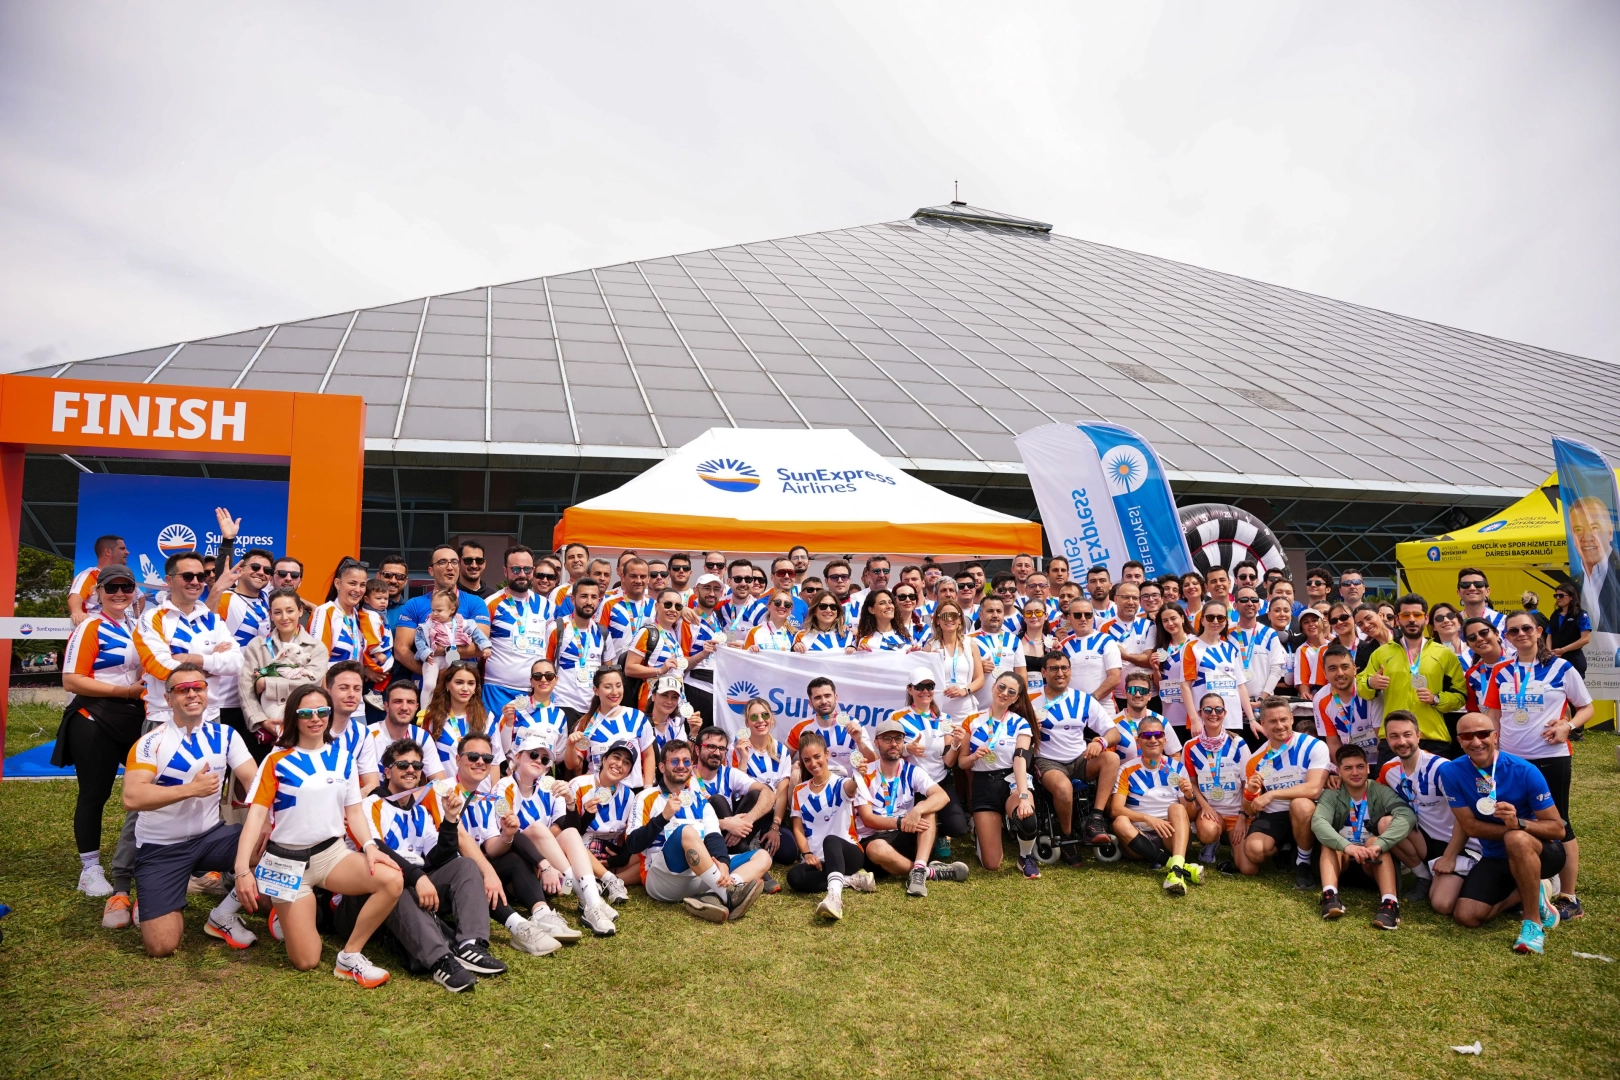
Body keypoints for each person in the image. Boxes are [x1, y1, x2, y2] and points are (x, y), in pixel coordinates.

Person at [234, 684, 403, 984]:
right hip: (286, 863)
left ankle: (350, 956)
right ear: (293, 717)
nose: (315, 718)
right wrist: (241, 870)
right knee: (306, 961)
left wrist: (369, 846)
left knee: (392, 880)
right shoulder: (275, 760)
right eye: (306, 713)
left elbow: (354, 813)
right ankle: (286, 911)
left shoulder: (344, 758)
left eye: (322, 711)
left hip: (332, 855)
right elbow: (256, 816)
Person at [366, 739, 528, 991]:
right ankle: (441, 960)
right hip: (372, 894)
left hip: (415, 884)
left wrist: (450, 821)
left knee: (466, 865)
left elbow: (438, 857)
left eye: (416, 765)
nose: (411, 770)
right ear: (387, 772)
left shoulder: (420, 811)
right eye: (403, 765)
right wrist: (417, 877)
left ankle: (471, 945)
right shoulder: (371, 803)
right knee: (395, 882)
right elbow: (375, 848)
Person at [121, 664, 260, 957]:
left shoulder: (226, 735)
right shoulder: (152, 742)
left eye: (198, 687)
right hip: (161, 848)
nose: (192, 694)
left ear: (207, 693)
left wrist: (270, 821)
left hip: (210, 837)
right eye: (182, 690)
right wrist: (190, 789)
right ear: (168, 698)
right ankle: (154, 895)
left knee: (276, 842)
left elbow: (255, 783)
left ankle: (222, 915)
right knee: (161, 946)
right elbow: (132, 797)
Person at [1481, 612, 1592, 922]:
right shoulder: (1501, 671)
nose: (1521, 634)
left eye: (1526, 628)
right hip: (1510, 760)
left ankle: (1569, 896)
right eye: (1513, 630)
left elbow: (1586, 707)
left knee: (1559, 823)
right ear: (1507, 636)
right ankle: (1527, 888)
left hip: (1550, 757)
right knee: (1515, 821)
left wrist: (1568, 725)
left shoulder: (1561, 667)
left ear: (1539, 631)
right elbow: (1493, 714)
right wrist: (1492, 751)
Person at [1439, 713, 1567, 954]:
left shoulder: (1524, 770)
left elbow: (1557, 828)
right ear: (1459, 741)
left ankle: (1532, 923)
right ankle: (1531, 891)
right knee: (1467, 915)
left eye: (1482, 734)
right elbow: (1470, 826)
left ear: (1495, 736)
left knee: (1515, 838)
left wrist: (1518, 823)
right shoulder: (1451, 771)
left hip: (1542, 853)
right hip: (1496, 856)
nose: (1476, 742)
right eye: (1467, 736)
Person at [58, 563, 147, 907]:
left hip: (132, 716)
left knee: (149, 789)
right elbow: (71, 680)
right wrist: (126, 692)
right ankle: (90, 869)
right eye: (111, 588)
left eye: (126, 587)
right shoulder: (90, 626)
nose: (119, 593)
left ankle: (151, 857)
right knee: (95, 794)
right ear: (98, 593)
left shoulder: (137, 625)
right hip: (93, 717)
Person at [626, 740, 769, 923]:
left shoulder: (699, 800)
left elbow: (713, 836)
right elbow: (633, 845)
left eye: (686, 761)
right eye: (674, 761)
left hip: (700, 875)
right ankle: (728, 893)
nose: (681, 766)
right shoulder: (646, 797)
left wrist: (723, 864)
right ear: (662, 767)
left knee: (762, 856)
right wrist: (662, 818)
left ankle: (712, 896)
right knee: (686, 831)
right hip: (663, 879)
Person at [499, 735, 621, 936]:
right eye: (533, 754)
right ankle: (590, 899)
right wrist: (545, 865)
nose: (539, 760)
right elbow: (508, 835)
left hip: (555, 875)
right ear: (518, 756)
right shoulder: (504, 786)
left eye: (545, 759)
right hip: (521, 871)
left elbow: (571, 830)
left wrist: (570, 801)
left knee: (570, 833)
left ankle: (591, 903)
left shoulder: (548, 786)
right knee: (538, 829)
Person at [1378, 711, 1478, 914]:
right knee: (1385, 824)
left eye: (1407, 734)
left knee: (1442, 904)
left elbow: (1465, 818)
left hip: (1460, 843)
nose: (1401, 742)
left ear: (1418, 736)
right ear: (1387, 740)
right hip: (1426, 840)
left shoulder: (1442, 769)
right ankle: (1423, 876)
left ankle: (1476, 875)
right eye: (1394, 736)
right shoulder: (1388, 769)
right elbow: (1370, 792)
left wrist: (1449, 856)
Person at [855, 719, 967, 896]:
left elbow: (942, 796)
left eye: (898, 739)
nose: (893, 744)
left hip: (905, 833)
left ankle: (919, 867)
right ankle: (926, 872)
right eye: (887, 739)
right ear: (876, 743)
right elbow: (868, 819)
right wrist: (900, 822)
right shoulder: (865, 773)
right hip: (876, 839)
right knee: (876, 848)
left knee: (927, 807)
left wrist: (917, 810)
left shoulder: (912, 770)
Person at [1311, 743, 1413, 928]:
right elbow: (1319, 823)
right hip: (1340, 863)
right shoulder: (1332, 793)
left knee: (1375, 840)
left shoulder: (1380, 790)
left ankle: (1390, 904)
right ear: (1339, 772)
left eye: (1359, 766)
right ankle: (1330, 896)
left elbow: (1407, 815)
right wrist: (1347, 846)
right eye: (1348, 768)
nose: (1355, 772)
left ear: (1367, 768)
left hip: (1371, 863)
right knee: (1329, 840)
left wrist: (1380, 844)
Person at [954, 671, 1042, 877]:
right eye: (1001, 687)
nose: (1004, 693)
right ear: (993, 687)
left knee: (1027, 816)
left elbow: (1020, 761)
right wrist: (974, 756)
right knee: (992, 864)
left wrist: (1024, 796)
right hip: (983, 784)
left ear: (1016, 698)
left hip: (1011, 781)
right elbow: (961, 762)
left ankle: (1025, 856)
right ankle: (980, 833)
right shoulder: (972, 720)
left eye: (1011, 691)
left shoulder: (1020, 723)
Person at [1358, 594, 1465, 757]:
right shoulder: (1381, 653)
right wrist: (1370, 683)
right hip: (1394, 738)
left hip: (1432, 737)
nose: (1412, 620)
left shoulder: (1444, 654)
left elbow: (1460, 696)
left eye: (1417, 615)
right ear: (1397, 619)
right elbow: (1361, 688)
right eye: (1405, 615)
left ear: (1426, 618)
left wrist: (1436, 699)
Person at [1239, 696, 1329, 888]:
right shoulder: (1256, 760)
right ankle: (1285, 847)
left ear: (1292, 718)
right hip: (1275, 814)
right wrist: (1250, 793)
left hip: (1308, 810)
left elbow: (1313, 789)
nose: (1279, 726)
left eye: (1283, 719)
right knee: (1254, 850)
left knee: (1300, 804)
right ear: (1263, 724)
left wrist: (1271, 794)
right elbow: (1249, 810)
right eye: (1272, 721)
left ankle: (1303, 863)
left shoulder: (1314, 745)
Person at [1035, 652, 1118, 859]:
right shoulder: (1030, 698)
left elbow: (1114, 732)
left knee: (1111, 758)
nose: (1060, 673)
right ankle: (1067, 836)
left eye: (1064, 668)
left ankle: (1095, 819)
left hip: (1080, 758)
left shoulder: (1083, 699)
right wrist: (1028, 726)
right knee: (1064, 787)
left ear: (1070, 671)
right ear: (1043, 672)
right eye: (1054, 668)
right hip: (1047, 760)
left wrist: (1100, 742)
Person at [1110, 714, 1202, 895]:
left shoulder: (1177, 768)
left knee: (1177, 808)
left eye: (1158, 735)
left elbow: (1190, 816)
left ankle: (1175, 870)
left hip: (1171, 834)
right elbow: (1116, 809)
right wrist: (1148, 819)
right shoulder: (1126, 769)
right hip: (1140, 836)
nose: (1153, 739)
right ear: (1138, 741)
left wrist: (1189, 796)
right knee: (1119, 822)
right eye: (1146, 735)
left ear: (1164, 740)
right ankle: (1179, 866)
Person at [787, 732, 876, 919]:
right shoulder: (799, 790)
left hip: (848, 853)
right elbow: (798, 827)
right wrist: (807, 853)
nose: (813, 763)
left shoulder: (840, 784)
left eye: (817, 756)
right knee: (794, 877)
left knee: (831, 840)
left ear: (826, 754)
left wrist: (858, 774)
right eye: (807, 760)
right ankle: (851, 879)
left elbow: (851, 786)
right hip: (819, 860)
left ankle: (834, 897)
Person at [238, 586, 329, 760]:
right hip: (264, 732)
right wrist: (262, 721)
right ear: (270, 615)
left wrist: (266, 683)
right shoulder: (257, 645)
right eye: (278, 612)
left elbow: (309, 684)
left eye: (290, 611)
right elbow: (246, 688)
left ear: (300, 611)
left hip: (304, 727)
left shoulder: (316, 647)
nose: (284, 617)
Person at [893, 667, 973, 858]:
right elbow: (887, 752)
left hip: (939, 782)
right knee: (910, 836)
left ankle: (939, 832)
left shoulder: (944, 719)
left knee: (958, 828)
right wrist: (907, 749)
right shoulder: (897, 717)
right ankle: (929, 832)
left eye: (929, 686)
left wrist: (956, 743)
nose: (925, 691)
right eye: (919, 686)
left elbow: (948, 761)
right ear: (910, 689)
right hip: (912, 785)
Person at [392, 545, 491, 678]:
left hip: (463, 684)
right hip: (426, 683)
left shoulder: (476, 602)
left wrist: (443, 650)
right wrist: (432, 676)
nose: (450, 567)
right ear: (431, 570)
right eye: (442, 562)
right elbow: (401, 650)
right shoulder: (414, 604)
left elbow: (480, 647)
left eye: (454, 562)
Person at [1183, 691, 1254, 869]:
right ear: (1200, 713)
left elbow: (1247, 784)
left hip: (1236, 812)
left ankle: (1231, 841)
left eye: (1218, 710)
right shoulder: (1190, 746)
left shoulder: (1238, 743)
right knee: (1208, 832)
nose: (1213, 714)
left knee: (1247, 868)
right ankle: (1212, 841)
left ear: (1225, 712)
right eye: (1208, 710)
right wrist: (1205, 806)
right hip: (1210, 812)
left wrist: (1242, 816)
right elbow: (1192, 783)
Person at [482, 545, 555, 716]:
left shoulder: (548, 606)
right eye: (516, 569)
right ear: (505, 571)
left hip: (534, 690)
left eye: (527, 569)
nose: (522, 574)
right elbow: (480, 648)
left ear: (533, 570)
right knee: (496, 734)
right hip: (497, 690)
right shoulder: (491, 603)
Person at [729, 698, 799, 863]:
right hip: (745, 811)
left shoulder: (781, 750)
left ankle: (753, 841)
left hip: (769, 813)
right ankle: (743, 843)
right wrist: (743, 760)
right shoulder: (735, 748)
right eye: (754, 717)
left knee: (789, 853)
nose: (760, 720)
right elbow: (735, 792)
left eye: (765, 715)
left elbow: (782, 793)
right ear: (747, 722)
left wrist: (775, 826)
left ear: (771, 719)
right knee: (756, 793)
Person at [309, 558, 394, 694]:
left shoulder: (360, 615)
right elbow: (317, 659)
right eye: (352, 583)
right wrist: (324, 697)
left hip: (355, 695)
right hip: (331, 694)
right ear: (338, 583)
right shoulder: (325, 612)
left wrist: (366, 669)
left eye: (362, 585)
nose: (358, 590)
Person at [570, 739, 644, 885]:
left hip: (608, 855)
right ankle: (608, 879)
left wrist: (619, 858)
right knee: (574, 845)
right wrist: (587, 816)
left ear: (628, 773)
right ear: (604, 759)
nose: (619, 764)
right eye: (616, 757)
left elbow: (629, 837)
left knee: (646, 857)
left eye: (626, 763)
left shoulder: (630, 796)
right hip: (581, 850)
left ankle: (608, 882)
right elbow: (568, 832)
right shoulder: (578, 784)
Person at [567, 668, 656, 789]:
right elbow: (572, 765)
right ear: (596, 690)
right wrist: (570, 745)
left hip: (631, 791)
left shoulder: (637, 717)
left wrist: (648, 788)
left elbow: (648, 755)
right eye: (608, 687)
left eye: (618, 686)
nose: (615, 692)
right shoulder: (586, 724)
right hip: (597, 792)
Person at [1180, 600, 1253, 738]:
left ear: (1226, 621)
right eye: (1210, 617)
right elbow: (1185, 685)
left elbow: (1240, 685)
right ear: (1202, 620)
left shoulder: (1230, 648)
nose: (1215, 621)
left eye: (1220, 618)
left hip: (1232, 719)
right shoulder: (1192, 646)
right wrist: (1194, 720)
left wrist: (1252, 719)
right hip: (1205, 719)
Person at [413, 587, 492, 699]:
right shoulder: (429, 624)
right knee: (429, 684)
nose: (435, 613)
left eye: (439, 610)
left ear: (452, 610)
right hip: (434, 659)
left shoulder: (462, 622)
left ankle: (453, 708)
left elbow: (477, 633)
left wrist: (485, 646)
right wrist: (425, 653)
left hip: (455, 660)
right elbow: (419, 639)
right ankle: (425, 709)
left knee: (455, 686)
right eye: (433, 610)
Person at [547, 578, 605, 726]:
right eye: (584, 596)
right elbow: (545, 667)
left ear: (599, 600)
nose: (589, 602)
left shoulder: (603, 632)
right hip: (563, 704)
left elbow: (606, 671)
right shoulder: (557, 628)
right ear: (572, 599)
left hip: (593, 708)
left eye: (593, 597)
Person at [786, 677, 874, 774]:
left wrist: (859, 741)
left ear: (836, 698)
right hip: (815, 782)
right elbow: (782, 761)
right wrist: (794, 769)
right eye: (818, 697)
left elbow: (873, 762)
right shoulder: (800, 727)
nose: (824, 701)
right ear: (810, 703)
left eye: (827, 696)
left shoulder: (854, 724)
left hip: (849, 782)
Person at [1313, 644, 1380, 769]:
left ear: (1354, 669)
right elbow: (1333, 742)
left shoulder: (1369, 690)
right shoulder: (1320, 699)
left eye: (1345, 667)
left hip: (1378, 760)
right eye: (1332, 668)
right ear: (1325, 674)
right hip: (1349, 765)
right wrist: (1342, 770)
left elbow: (1380, 735)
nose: (1339, 673)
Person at [367, 680, 446, 780]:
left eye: (410, 702)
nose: (404, 707)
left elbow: (440, 780)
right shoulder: (367, 734)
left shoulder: (422, 737)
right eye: (398, 701)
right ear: (386, 706)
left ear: (416, 707)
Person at [1567, 494, 1620, 633]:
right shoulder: (1573, 582)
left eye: (1595, 528)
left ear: (1610, 532)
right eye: (1578, 530)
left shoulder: (1617, 573)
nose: (1587, 537)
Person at [421, 661, 489, 768]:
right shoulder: (432, 718)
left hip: (480, 779)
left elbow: (496, 760)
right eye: (459, 682)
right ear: (447, 684)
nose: (465, 688)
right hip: (444, 778)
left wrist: (508, 725)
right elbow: (424, 759)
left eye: (471, 683)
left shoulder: (487, 717)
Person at [925, 599, 983, 717]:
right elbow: (922, 679)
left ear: (960, 620)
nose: (950, 619)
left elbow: (980, 678)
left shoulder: (970, 644)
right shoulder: (930, 647)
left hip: (967, 711)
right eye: (945, 616)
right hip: (939, 711)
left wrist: (964, 691)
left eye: (954, 615)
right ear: (937, 621)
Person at [1100, 583, 1155, 709]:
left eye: (1135, 598)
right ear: (1115, 599)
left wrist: (1125, 655)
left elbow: (1149, 660)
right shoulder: (1104, 627)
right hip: (1119, 696)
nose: (1131, 602)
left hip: (1148, 694)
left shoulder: (1149, 625)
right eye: (1125, 597)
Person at [1230, 586, 1287, 706]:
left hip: (1263, 703)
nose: (1250, 603)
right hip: (1234, 702)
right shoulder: (1226, 634)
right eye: (1244, 600)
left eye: (1254, 600)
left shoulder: (1270, 633)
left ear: (1259, 605)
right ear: (1235, 606)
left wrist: (1262, 700)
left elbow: (1276, 670)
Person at [214, 543, 275, 648]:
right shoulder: (224, 599)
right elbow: (206, 628)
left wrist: (307, 605)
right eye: (255, 567)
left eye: (267, 570)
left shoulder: (267, 597)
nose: (261, 572)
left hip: (264, 658)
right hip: (233, 657)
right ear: (239, 570)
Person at [1152, 604, 1193, 738]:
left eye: (1173, 618)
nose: (1170, 623)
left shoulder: (1195, 643)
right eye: (1165, 620)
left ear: (1182, 618)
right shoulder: (1161, 648)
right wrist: (1156, 669)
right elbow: (1159, 685)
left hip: (1193, 712)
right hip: (1170, 711)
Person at [68, 534, 130, 624]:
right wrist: (77, 612)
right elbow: (75, 596)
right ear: (108, 552)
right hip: (97, 628)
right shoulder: (89, 574)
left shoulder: (123, 577)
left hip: (123, 629)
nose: (127, 552)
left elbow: (140, 597)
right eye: (122, 548)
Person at [1462, 618, 1509, 714]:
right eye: (1472, 637)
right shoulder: (1472, 675)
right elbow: (1474, 713)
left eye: (1484, 633)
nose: (1479, 639)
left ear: (1496, 634)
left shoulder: (1519, 661)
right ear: (1469, 645)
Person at [1548, 584, 1591, 676]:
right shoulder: (1555, 614)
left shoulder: (1581, 615)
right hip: (1555, 659)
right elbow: (1549, 634)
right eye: (1556, 596)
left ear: (1571, 597)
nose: (1558, 598)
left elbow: (1585, 639)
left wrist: (1563, 650)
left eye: (1561, 595)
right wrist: (1549, 652)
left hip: (1573, 659)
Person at [1456, 568, 1508, 643]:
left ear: (1487, 591)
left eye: (1478, 584)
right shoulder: (1453, 623)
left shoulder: (1503, 621)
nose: (1472, 588)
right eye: (1465, 585)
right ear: (1458, 592)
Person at [1292, 608, 1331, 697]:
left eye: (1314, 620)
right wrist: (1305, 693)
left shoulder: (1333, 644)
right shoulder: (1302, 650)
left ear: (1322, 624)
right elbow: (1303, 679)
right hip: (1318, 695)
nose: (1311, 624)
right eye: (1306, 622)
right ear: (1302, 629)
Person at [1017, 598, 1053, 695]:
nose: (1033, 616)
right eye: (1029, 613)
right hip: (1022, 696)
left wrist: (1056, 653)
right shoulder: (1014, 642)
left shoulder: (1053, 643)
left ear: (1046, 616)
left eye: (1038, 612)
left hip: (1047, 696)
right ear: (1024, 617)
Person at [376, 553, 411, 634]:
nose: (393, 581)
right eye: (388, 575)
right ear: (378, 576)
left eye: (400, 577)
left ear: (405, 581)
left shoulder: (410, 612)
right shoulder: (361, 606)